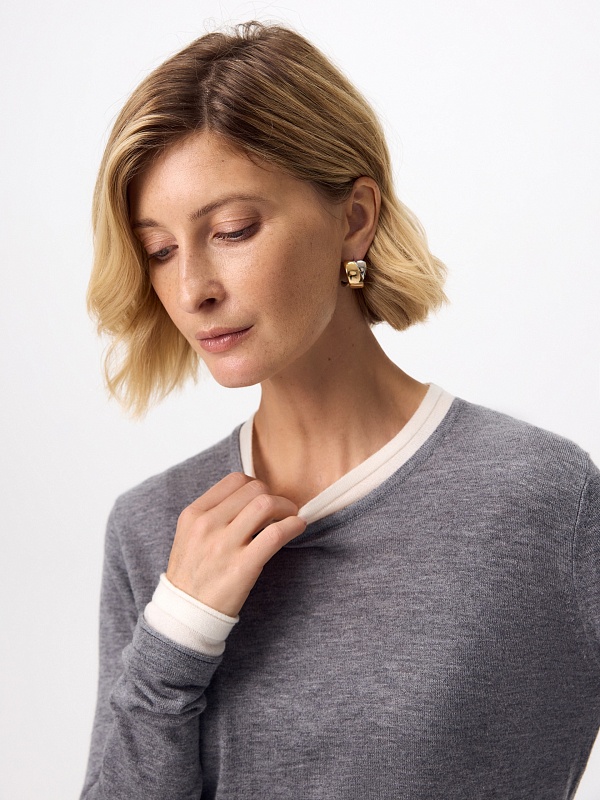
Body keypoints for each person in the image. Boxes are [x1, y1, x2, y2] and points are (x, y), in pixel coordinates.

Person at [81, 21, 600, 800]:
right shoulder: (152, 528)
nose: (192, 290)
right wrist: (176, 634)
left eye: (231, 230)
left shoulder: (543, 500)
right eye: (159, 250)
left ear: (355, 218)